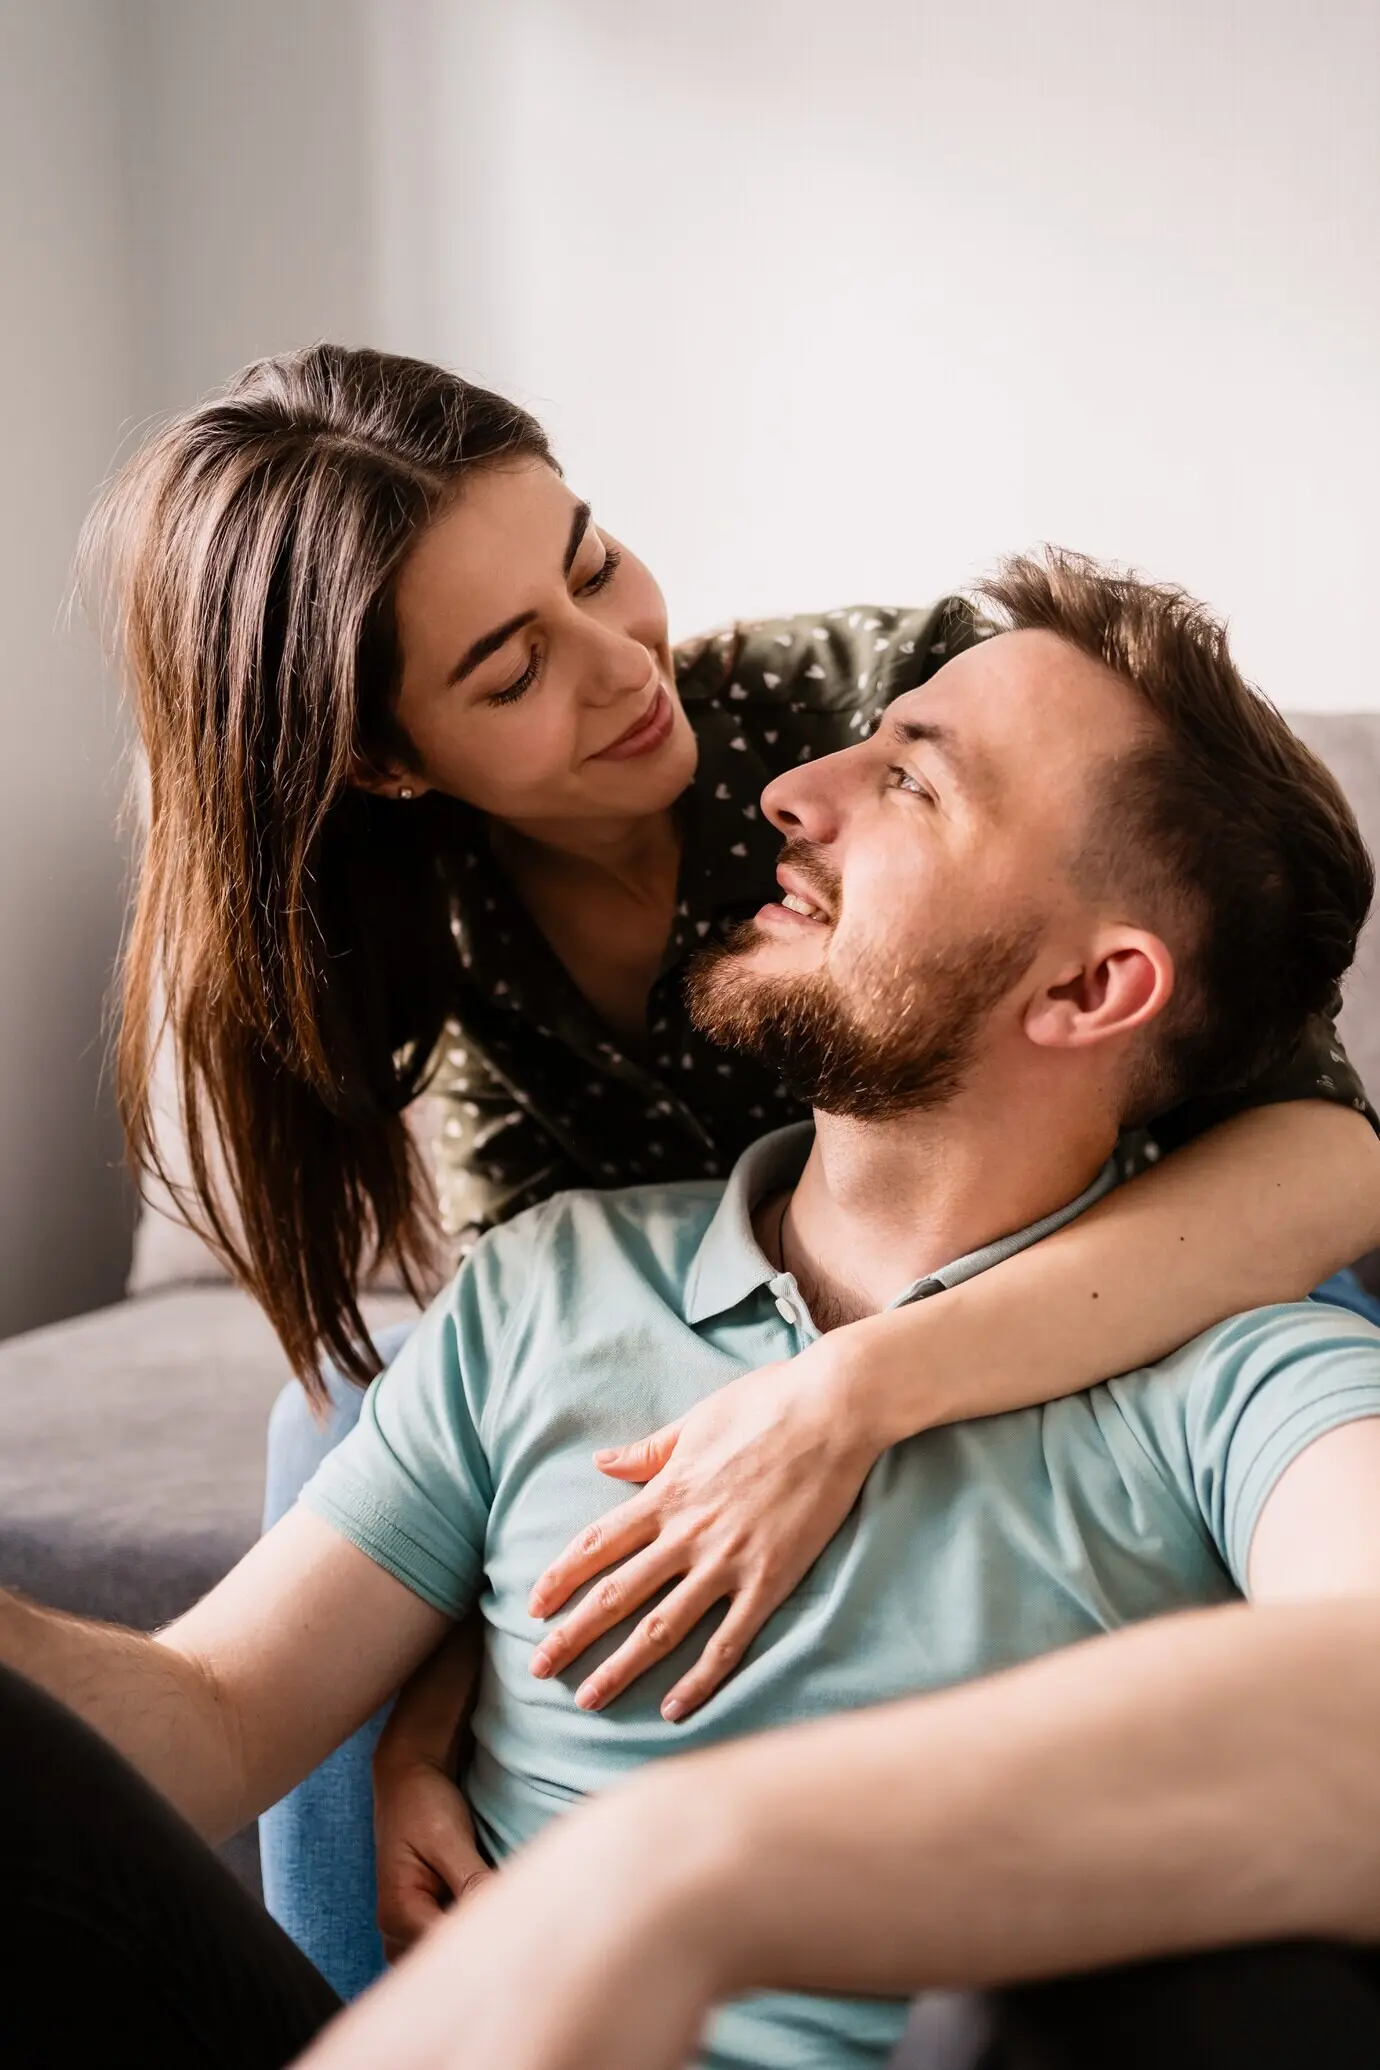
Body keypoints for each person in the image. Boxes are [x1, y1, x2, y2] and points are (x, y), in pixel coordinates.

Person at [92, 346, 1380, 1993]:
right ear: (390, 762)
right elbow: (493, 1441)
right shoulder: (462, 972)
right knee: (346, 1413)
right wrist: (429, 1714)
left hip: (1135, 1242)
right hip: (729, 1279)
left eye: (591, 559)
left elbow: (1327, 1161)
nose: (628, 661)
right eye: (508, 672)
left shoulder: (872, 697)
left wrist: (856, 1390)